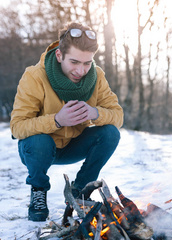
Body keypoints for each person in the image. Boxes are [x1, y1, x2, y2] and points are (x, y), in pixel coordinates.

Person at [10, 21, 124, 222]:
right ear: (59, 55)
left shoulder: (96, 77)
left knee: (110, 133)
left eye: (87, 63)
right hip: (38, 149)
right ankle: (38, 191)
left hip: (73, 145)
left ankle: (80, 191)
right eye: (74, 62)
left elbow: (117, 115)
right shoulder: (35, 76)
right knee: (38, 141)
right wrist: (57, 120)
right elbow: (17, 127)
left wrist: (95, 113)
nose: (81, 71)